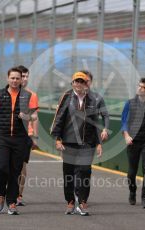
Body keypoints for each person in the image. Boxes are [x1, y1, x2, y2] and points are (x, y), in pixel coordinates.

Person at [50, 71, 105, 216]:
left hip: (87, 143)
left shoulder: (93, 99)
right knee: (69, 174)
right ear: (72, 83)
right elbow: (59, 118)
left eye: (82, 81)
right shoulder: (67, 97)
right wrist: (57, 139)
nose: (79, 84)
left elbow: (95, 123)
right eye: (77, 81)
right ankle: (70, 202)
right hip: (69, 142)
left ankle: (82, 202)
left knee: (85, 171)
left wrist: (99, 143)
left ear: (86, 84)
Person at [0, 67, 34, 215]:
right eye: (12, 78)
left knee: (15, 172)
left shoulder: (27, 96)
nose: (14, 81)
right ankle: (1, 194)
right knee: (1, 168)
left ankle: (12, 202)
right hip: (2, 137)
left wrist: (24, 116)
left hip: (20, 139)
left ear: (21, 80)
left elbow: (33, 117)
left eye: (17, 78)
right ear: (8, 79)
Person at [121, 78, 145, 208]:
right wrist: (126, 136)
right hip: (133, 141)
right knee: (132, 172)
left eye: (143, 87)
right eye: (139, 86)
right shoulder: (130, 103)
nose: (139, 88)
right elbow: (124, 122)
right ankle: (132, 192)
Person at [16, 65, 39, 206]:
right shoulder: (6, 93)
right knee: (7, 166)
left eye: (26, 76)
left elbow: (35, 116)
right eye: (22, 76)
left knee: (22, 166)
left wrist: (35, 137)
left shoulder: (32, 95)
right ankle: (7, 191)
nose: (24, 79)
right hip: (9, 134)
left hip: (26, 135)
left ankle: (18, 195)